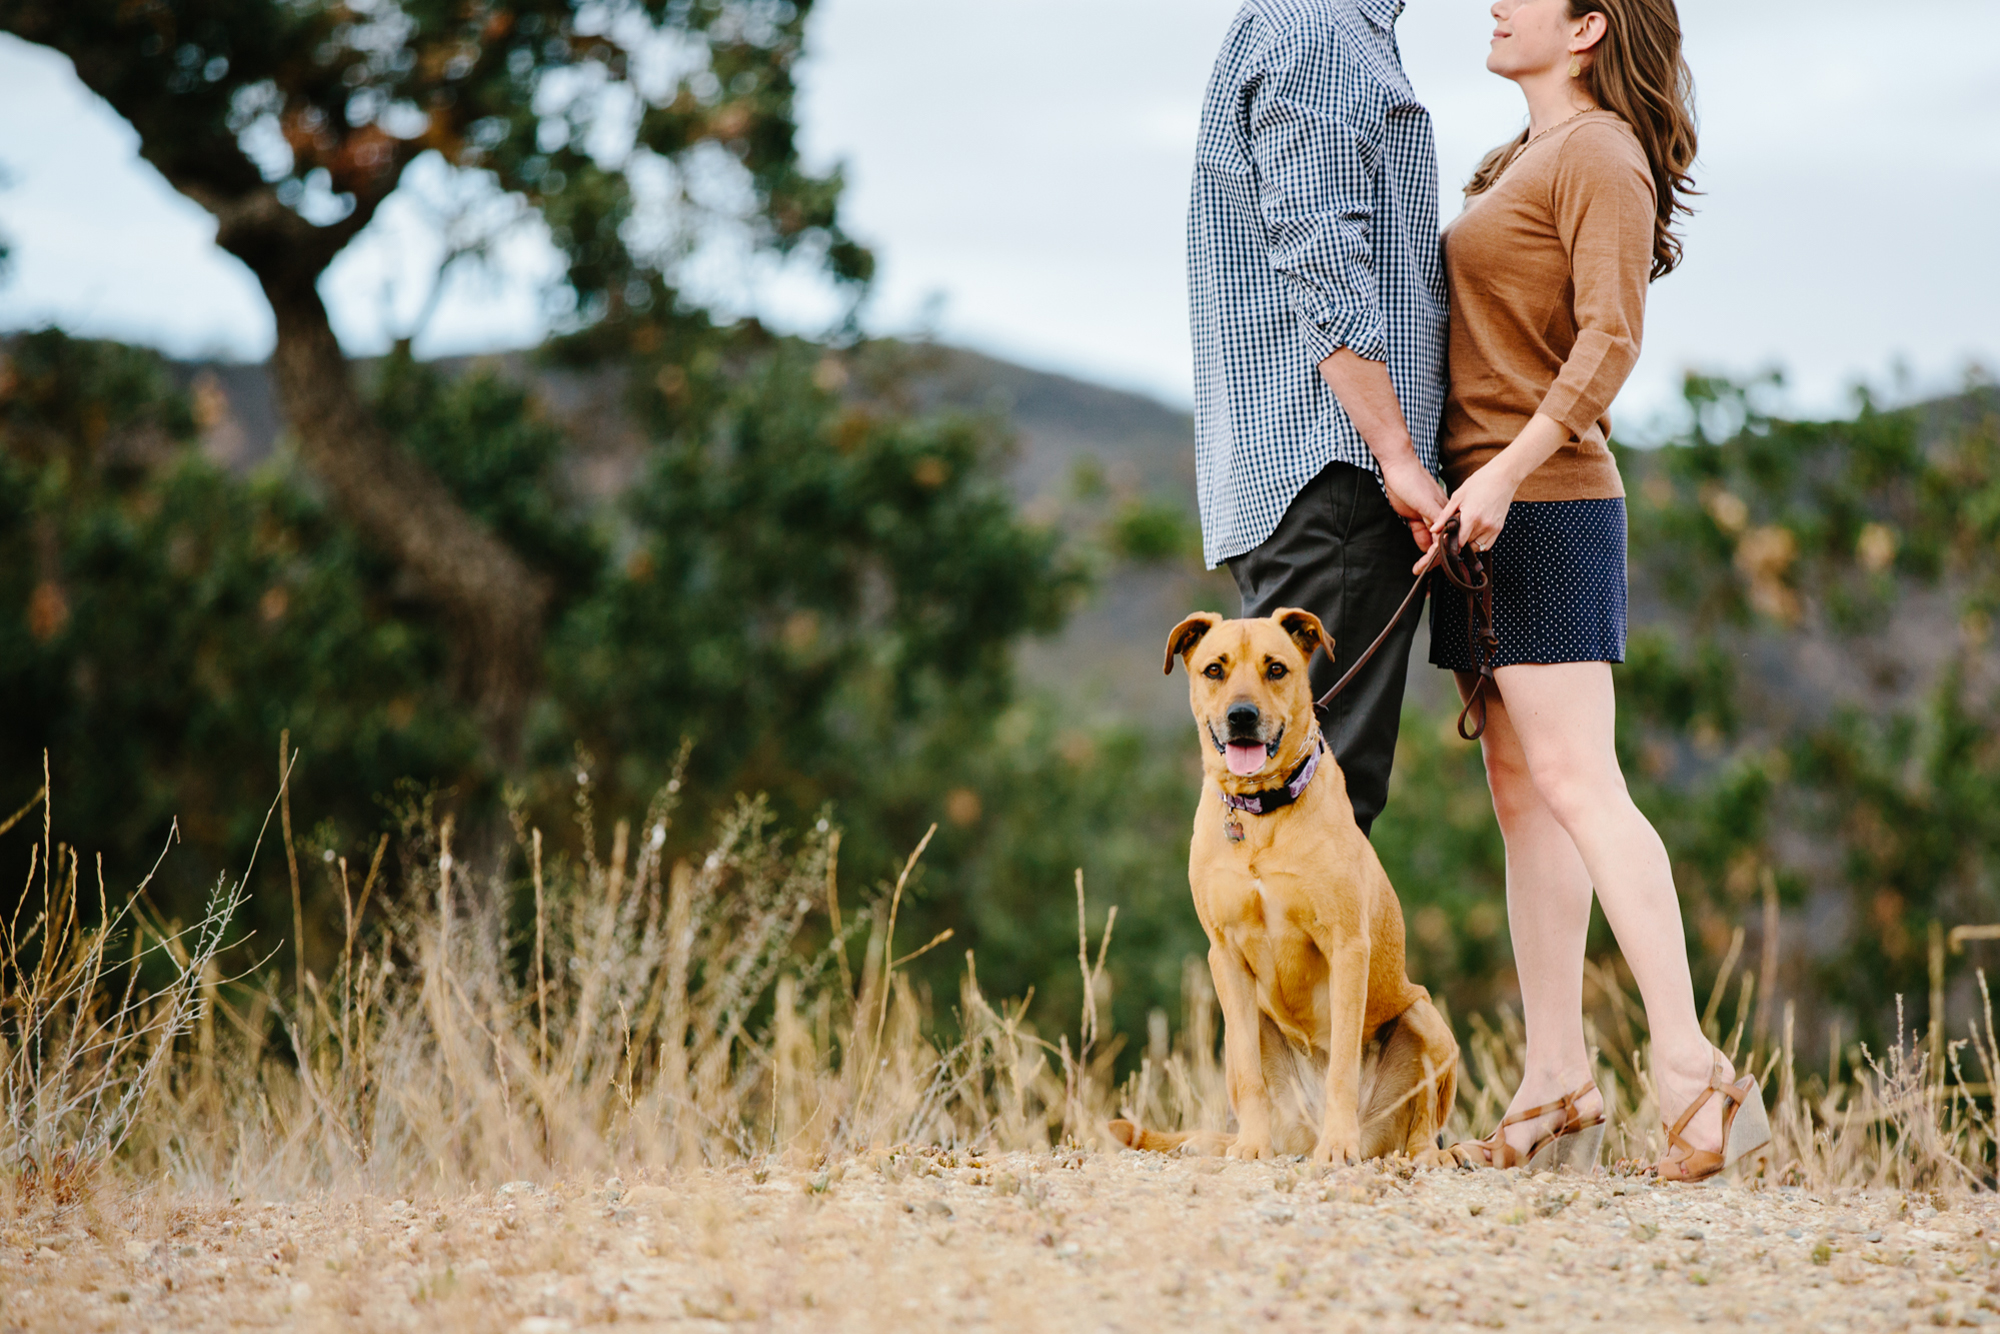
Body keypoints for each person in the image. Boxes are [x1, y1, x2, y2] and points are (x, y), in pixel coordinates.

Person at [1430, 0, 1764, 1180]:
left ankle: (1687, 1069)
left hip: (1550, 503)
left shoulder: (1600, 152)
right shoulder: (1517, 156)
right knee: (1522, 792)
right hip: (1482, 510)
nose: (1492, 4)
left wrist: (1507, 475)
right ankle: (1554, 1077)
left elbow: (1608, 338)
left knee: (1578, 779)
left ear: (1583, 28)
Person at [1189, 0, 1450, 839]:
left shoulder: (1313, 26)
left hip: (1309, 472)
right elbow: (1321, 253)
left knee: (1295, 803)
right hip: (1337, 471)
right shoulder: (1319, 36)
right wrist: (1398, 454)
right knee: (1317, 811)